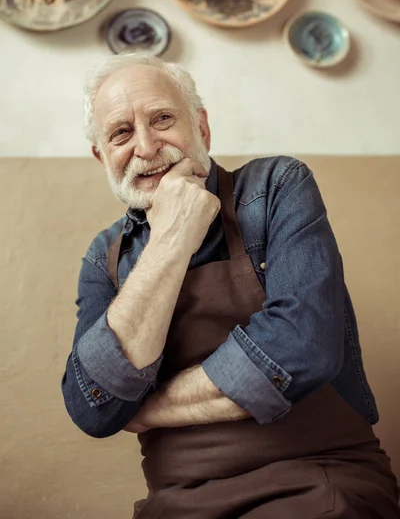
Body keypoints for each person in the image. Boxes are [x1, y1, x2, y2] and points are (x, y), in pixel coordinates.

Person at [62, 53, 400, 518]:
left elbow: (301, 350)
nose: (144, 146)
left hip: (319, 478)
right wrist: (171, 238)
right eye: (121, 133)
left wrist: (145, 407)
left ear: (201, 128)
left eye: (162, 119)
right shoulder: (104, 257)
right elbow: (92, 408)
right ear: (103, 155)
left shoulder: (277, 187)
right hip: (177, 502)